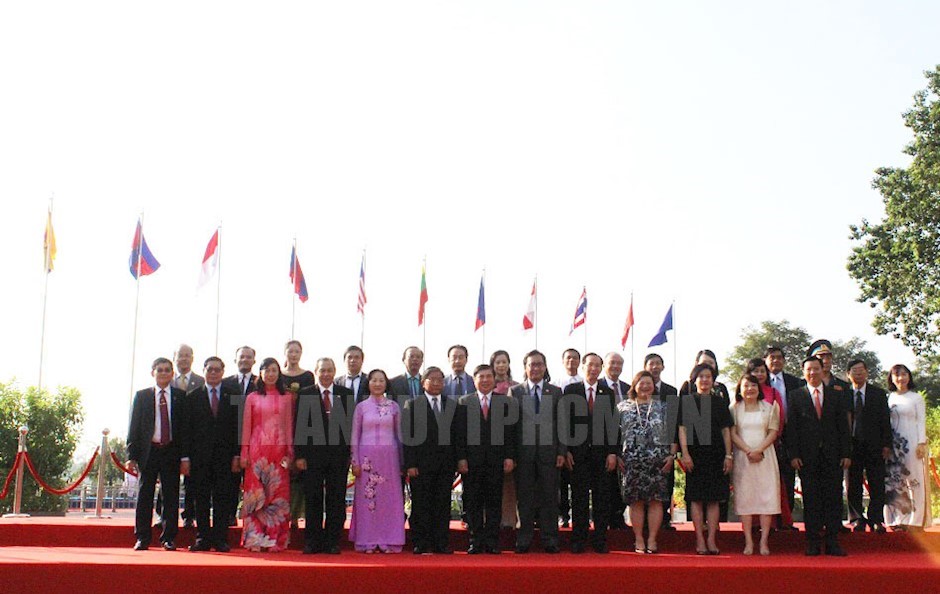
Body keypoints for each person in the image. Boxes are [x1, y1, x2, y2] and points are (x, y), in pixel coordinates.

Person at [786, 356, 851, 556]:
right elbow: (792, 428)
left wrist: (846, 453)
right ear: (803, 372)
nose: (813, 373)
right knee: (811, 499)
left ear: (823, 370)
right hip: (807, 457)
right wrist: (794, 454)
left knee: (833, 499)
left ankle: (832, 541)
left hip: (833, 456)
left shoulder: (836, 395)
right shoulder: (796, 396)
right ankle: (813, 541)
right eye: (809, 370)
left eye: (816, 369)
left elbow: (843, 427)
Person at [127, 358, 190, 551]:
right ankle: (142, 537)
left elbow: (186, 429)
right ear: (152, 372)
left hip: (171, 450)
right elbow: (134, 427)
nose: (163, 373)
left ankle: (169, 537)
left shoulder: (181, 397)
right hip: (149, 451)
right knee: (145, 495)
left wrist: (185, 457)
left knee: (171, 496)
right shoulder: (142, 396)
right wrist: (131, 455)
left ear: (172, 374)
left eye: (167, 370)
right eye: (160, 370)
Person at [296, 357, 356, 554]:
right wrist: (300, 456)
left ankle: (332, 541)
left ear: (334, 371)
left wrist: (349, 454)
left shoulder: (345, 394)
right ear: (316, 371)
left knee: (336, 499)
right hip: (312, 457)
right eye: (322, 370)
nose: (326, 374)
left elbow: (349, 429)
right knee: (313, 499)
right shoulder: (306, 394)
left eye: (330, 370)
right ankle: (312, 541)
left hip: (338, 458)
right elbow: (299, 427)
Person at [456, 364, 517, 554]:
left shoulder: (504, 403)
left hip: (496, 461)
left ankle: (492, 541)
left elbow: (511, 433)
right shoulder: (463, 402)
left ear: (494, 380)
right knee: (473, 502)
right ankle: (475, 540)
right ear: (474, 380)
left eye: (488, 376)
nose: (485, 380)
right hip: (471, 463)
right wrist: (461, 459)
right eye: (480, 377)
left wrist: (509, 457)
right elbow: (459, 435)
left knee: (493, 503)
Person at [510, 350, 566, 554]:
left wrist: (561, 451)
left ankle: (550, 538)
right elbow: (511, 427)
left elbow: (562, 424)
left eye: (539, 364)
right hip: (523, 455)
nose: (535, 368)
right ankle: (524, 538)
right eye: (531, 364)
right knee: (524, 498)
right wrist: (512, 455)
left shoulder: (556, 392)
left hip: (549, 454)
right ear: (525, 368)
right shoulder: (515, 392)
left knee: (550, 498)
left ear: (545, 367)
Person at [564, 353, 618, 554]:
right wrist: (567, 450)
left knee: (601, 498)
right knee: (578, 498)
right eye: (590, 365)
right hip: (577, 455)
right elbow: (564, 423)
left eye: (598, 365)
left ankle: (600, 539)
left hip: (601, 455)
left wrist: (612, 452)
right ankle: (578, 538)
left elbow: (613, 425)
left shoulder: (607, 392)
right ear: (583, 366)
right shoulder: (572, 390)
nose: (594, 369)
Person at [239, 357, 294, 552]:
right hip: (256, 453)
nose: (270, 374)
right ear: (260, 373)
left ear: (279, 373)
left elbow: (289, 428)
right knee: (257, 496)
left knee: (277, 497)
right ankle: (255, 538)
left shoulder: (287, 397)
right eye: (267, 370)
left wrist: (290, 453)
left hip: (279, 454)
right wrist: (244, 452)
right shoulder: (252, 397)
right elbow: (246, 427)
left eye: (274, 370)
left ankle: (275, 539)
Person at [618, 370, 676, 554]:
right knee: (636, 501)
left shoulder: (664, 407)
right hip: (631, 461)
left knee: (656, 501)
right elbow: (613, 435)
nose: (645, 386)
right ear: (634, 386)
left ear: (654, 386)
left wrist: (672, 455)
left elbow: (673, 433)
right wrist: (617, 454)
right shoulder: (622, 407)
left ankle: (652, 539)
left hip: (658, 461)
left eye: (648, 383)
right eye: (641, 383)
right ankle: (638, 539)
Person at [403, 367, 459, 554]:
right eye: (432, 379)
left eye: (440, 380)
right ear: (423, 382)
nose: (436, 383)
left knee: (442, 505)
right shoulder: (412, 405)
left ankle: (441, 543)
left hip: (446, 465)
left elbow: (457, 437)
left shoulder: (452, 405)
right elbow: (407, 437)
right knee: (420, 505)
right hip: (420, 466)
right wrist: (410, 464)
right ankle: (420, 541)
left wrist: (458, 461)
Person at [186, 356, 240, 552]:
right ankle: (202, 538)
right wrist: (186, 458)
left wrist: (237, 455)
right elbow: (187, 430)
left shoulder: (233, 395)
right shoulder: (192, 396)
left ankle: (220, 538)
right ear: (204, 371)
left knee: (222, 499)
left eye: (217, 370)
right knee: (200, 499)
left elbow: (237, 428)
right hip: (199, 458)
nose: (214, 373)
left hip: (225, 458)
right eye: (210, 369)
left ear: (223, 372)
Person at [679, 363, 733, 555]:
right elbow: (682, 429)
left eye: (708, 376)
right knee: (696, 498)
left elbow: (726, 430)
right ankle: (699, 540)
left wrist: (728, 455)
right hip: (695, 455)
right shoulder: (687, 401)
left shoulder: (719, 402)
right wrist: (685, 454)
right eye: (701, 377)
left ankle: (711, 539)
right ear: (695, 380)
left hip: (716, 454)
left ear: (713, 379)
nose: (705, 380)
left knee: (713, 499)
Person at [349, 369, 405, 553]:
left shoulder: (394, 407)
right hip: (367, 461)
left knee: (389, 501)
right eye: (374, 380)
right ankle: (368, 540)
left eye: (381, 380)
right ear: (369, 383)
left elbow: (400, 436)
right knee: (368, 501)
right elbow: (355, 436)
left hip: (390, 459)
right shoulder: (361, 407)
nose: (378, 384)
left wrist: (403, 461)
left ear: (386, 383)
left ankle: (390, 539)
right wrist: (355, 461)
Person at [730, 374, 781, 556]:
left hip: (765, 458)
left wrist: (759, 450)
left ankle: (764, 541)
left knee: (766, 498)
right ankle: (749, 542)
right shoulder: (734, 409)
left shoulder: (769, 407)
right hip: (743, 459)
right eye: (746, 386)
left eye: (753, 385)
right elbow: (733, 434)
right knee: (746, 499)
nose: (750, 389)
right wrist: (748, 450)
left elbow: (773, 432)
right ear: (740, 389)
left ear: (759, 388)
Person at [845, 359, 891, 533]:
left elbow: (885, 420)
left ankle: (876, 518)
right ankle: (857, 518)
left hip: (875, 445)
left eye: (861, 370)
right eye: (854, 371)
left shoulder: (877, 394)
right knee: (853, 483)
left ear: (867, 372)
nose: (858, 373)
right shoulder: (843, 394)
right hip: (851, 446)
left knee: (877, 482)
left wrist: (886, 444)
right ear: (848, 375)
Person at [885, 364, 932, 531]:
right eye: (897, 375)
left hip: (912, 443)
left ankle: (916, 520)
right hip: (894, 445)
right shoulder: (888, 398)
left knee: (914, 480)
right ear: (891, 378)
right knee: (896, 481)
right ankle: (897, 519)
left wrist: (921, 443)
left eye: (904, 374)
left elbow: (921, 421)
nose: (901, 378)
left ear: (909, 377)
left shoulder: (916, 398)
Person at [764, 345, 803, 531]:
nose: (776, 361)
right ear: (766, 360)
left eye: (779, 357)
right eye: (772, 357)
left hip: (791, 435)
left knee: (788, 478)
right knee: (767, 478)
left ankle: (786, 521)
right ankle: (767, 521)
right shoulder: (760, 383)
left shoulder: (795, 382)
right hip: (764, 437)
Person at [167, 344, 204, 528]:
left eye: (187, 355)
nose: (184, 358)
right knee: (167, 480)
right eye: (180, 355)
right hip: (170, 437)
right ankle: (163, 515)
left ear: (192, 358)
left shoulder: (201, 381)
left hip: (193, 437)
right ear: (175, 357)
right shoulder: (167, 379)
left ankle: (189, 514)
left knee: (192, 480)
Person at [280, 340, 315, 529]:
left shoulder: (308, 376)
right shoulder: (277, 374)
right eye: (290, 351)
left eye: (297, 352)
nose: (293, 355)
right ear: (284, 353)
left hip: (302, 426)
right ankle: (281, 514)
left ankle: (295, 515)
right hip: (280, 428)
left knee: (299, 475)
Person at [222, 345, 257, 526]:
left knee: (253, 482)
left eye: (248, 357)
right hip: (230, 440)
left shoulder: (260, 383)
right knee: (230, 482)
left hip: (256, 441)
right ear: (235, 360)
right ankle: (229, 515)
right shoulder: (226, 383)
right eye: (241, 357)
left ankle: (252, 518)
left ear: (254, 361)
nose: (245, 360)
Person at [645, 352, 679, 529]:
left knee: (666, 484)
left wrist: (673, 451)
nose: (655, 367)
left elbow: (674, 422)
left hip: (665, 447)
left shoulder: (671, 391)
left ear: (663, 367)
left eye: (658, 363)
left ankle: (664, 518)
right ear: (645, 367)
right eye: (651, 364)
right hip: (642, 449)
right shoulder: (637, 390)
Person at [490, 350, 519, 528]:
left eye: (504, 362)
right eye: (497, 362)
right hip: (488, 443)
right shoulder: (485, 385)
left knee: (509, 485)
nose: (501, 365)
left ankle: (508, 521)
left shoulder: (516, 387)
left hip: (509, 441)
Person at [601, 352, 630, 530]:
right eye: (612, 363)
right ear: (604, 365)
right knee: (606, 485)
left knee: (623, 483)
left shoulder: (628, 388)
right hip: (603, 443)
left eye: (619, 364)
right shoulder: (599, 386)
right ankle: (606, 518)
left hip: (626, 443)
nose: (616, 367)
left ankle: (618, 517)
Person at [557, 347, 583, 527]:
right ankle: (562, 514)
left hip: (580, 441)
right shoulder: (555, 383)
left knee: (578, 483)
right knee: (560, 482)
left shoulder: (584, 383)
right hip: (561, 439)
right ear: (563, 361)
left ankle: (578, 515)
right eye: (568, 358)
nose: (571, 361)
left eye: (575, 358)